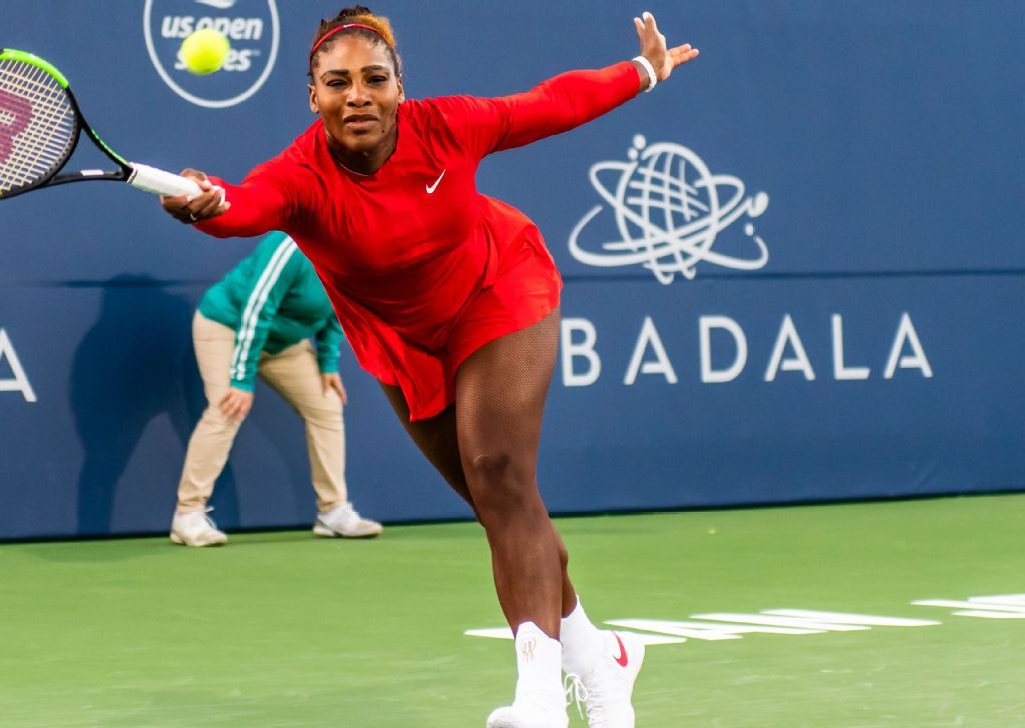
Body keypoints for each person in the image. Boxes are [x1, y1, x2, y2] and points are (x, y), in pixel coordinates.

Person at [160, 7, 697, 725]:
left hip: (498, 291)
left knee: (499, 473)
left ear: (399, 87)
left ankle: (539, 700)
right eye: (338, 83)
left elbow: (551, 104)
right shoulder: (299, 175)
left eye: (374, 79)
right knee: (502, 508)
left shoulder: (447, 126)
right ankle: (604, 663)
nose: (358, 95)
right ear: (313, 97)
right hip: (401, 341)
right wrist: (205, 203)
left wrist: (643, 71)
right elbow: (245, 206)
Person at [170, 230, 384, 547]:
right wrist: (241, 378)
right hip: (227, 326)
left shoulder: (358, 255)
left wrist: (328, 362)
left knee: (326, 405)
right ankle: (187, 515)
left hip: (283, 344)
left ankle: (333, 512)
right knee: (226, 409)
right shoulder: (291, 246)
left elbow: (341, 307)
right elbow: (257, 308)